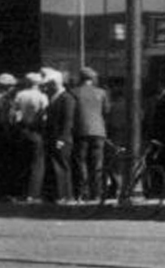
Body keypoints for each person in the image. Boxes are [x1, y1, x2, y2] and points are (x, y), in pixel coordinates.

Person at [71, 68, 110, 202]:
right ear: (92, 79)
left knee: (81, 162)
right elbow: (106, 111)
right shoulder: (102, 93)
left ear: (80, 78)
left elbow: (72, 113)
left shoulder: (74, 92)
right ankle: (97, 193)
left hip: (81, 131)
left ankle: (83, 192)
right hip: (99, 131)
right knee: (97, 164)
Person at [12, 72, 49, 204]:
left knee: (23, 162)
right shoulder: (42, 97)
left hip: (22, 131)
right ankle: (33, 194)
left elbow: (14, 115)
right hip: (36, 132)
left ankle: (22, 192)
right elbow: (45, 117)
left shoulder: (19, 95)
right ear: (39, 84)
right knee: (37, 164)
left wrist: (20, 125)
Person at [43, 69, 77, 204]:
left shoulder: (66, 98)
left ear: (55, 83)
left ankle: (65, 195)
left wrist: (62, 138)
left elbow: (68, 120)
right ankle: (61, 194)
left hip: (61, 138)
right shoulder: (58, 97)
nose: (47, 87)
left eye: (49, 84)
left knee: (62, 166)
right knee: (58, 165)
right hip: (55, 137)